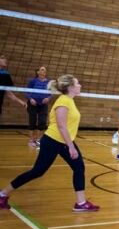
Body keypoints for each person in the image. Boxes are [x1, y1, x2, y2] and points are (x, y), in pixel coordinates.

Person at [0, 75, 99, 211]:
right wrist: (71, 147)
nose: (80, 85)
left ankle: (81, 203)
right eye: (78, 83)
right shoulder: (63, 101)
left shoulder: (69, 100)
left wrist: (69, 144)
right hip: (53, 140)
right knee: (37, 171)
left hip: (63, 140)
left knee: (79, 167)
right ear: (70, 87)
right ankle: (2, 194)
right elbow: (61, 126)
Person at [26, 66, 50, 147]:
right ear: (38, 72)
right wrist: (31, 99)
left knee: (42, 122)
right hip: (33, 103)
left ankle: (39, 140)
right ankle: (31, 140)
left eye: (45, 70)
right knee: (32, 121)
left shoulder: (48, 82)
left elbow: (51, 93)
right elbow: (26, 92)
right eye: (42, 70)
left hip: (43, 104)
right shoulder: (33, 81)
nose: (43, 71)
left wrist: (48, 98)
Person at [0, 55, 28, 123]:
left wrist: (22, 103)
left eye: (5, 58)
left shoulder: (5, 74)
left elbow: (8, 93)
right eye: (2, 58)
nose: (5, 60)